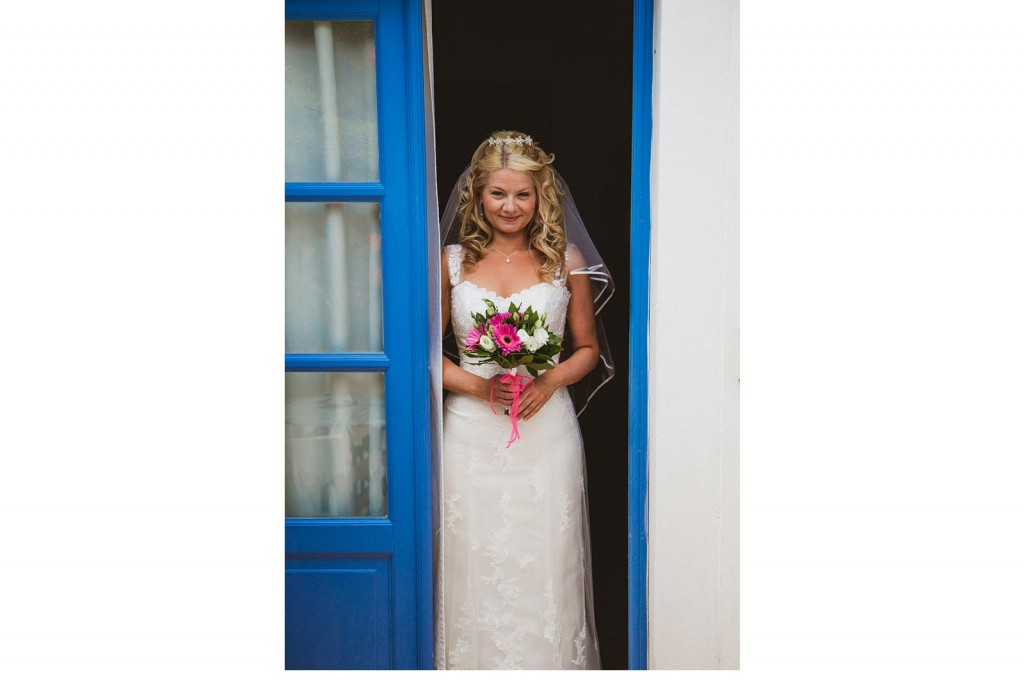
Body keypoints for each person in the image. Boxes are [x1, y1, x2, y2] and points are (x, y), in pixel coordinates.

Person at [434, 131, 613, 669]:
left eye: (522, 195)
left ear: (541, 196)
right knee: (473, 555)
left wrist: (548, 381)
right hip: (471, 431)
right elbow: (424, 354)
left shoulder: (564, 260)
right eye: (498, 194)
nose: (510, 207)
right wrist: (480, 386)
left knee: (544, 558)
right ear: (477, 196)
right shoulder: (451, 262)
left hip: (545, 431)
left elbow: (588, 349)